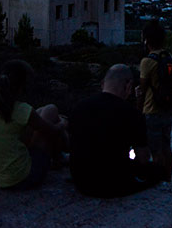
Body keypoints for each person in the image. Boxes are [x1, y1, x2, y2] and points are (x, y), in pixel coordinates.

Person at [69, 64, 164, 198]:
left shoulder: (79, 107)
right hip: (111, 185)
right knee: (157, 170)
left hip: (81, 181)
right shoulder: (131, 113)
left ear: (103, 84)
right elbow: (142, 157)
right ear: (129, 85)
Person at [0, 60, 68, 190]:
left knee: (41, 111)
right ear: (22, 86)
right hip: (22, 178)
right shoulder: (20, 110)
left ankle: (60, 156)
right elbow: (53, 130)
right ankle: (59, 157)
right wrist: (63, 123)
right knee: (51, 110)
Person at [137, 20, 172, 181]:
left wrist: (137, 110)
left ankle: (158, 180)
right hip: (167, 109)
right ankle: (168, 179)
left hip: (151, 111)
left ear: (146, 40)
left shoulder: (147, 61)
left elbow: (142, 89)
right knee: (166, 147)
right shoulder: (168, 57)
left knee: (155, 150)